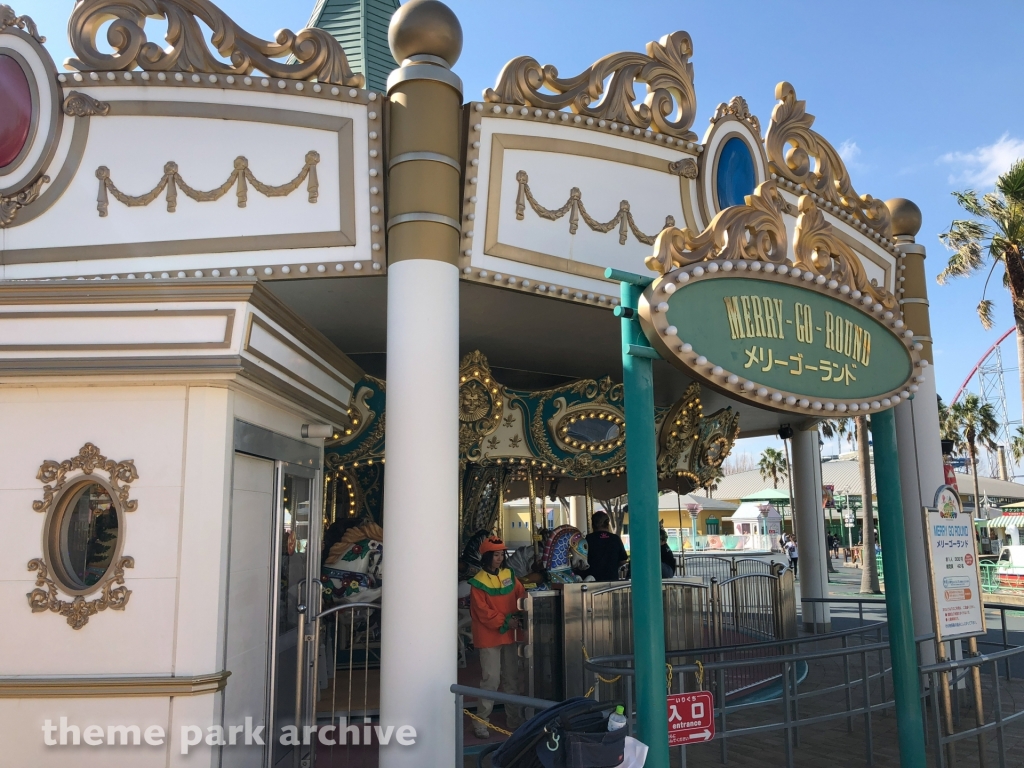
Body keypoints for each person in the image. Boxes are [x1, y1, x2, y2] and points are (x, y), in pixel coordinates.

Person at [468, 536, 526, 738]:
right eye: (496, 555)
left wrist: (522, 614)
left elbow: (521, 595)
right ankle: (481, 723)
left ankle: (514, 719)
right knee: (491, 680)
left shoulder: (509, 574)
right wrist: (507, 621)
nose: (500, 558)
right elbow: (482, 612)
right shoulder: (478, 582)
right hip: (489, 637)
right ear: (487, 557)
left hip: (509, 634)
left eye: (502, 554)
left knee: (512, 679)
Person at [584, 512, 628, 582]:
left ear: (593, 524)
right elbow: (623, 561)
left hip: (592, 581)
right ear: (607, 523)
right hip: (612, 581)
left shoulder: (588, 539)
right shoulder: (615, 539)